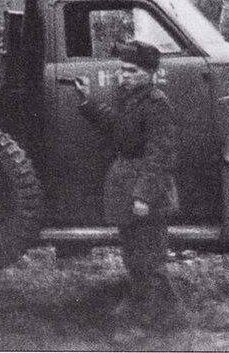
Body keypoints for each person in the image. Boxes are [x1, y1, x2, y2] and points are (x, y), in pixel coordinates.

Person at [74, 40, 183, 330]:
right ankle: (144, 307)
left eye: (131, 71)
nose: (124, 76)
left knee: (150, 257)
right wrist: (89, 103)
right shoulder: (131, 99)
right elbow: (119, 129)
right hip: (130, 187)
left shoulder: (157, 105)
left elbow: (161, 155)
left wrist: (144, 196)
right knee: (134, 255)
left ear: (150, 73)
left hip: (147, 192)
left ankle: (156, 320)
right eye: (122, 70)